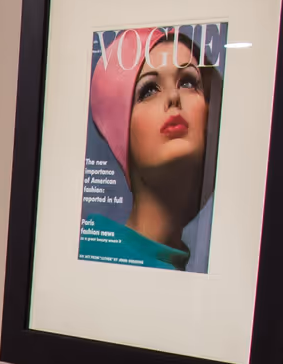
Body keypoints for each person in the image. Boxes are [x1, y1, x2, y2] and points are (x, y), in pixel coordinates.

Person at [84, 27, 222, 271]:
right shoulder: (92, 257)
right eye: (148, 90)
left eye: (188, 82)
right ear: (120, 130)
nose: (173, 96)